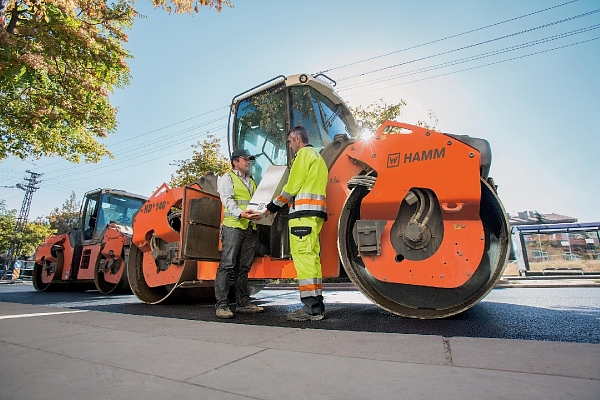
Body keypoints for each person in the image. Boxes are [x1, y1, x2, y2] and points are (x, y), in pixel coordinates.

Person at [264, 126, 328, 321]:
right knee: (312, 260)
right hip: (315, 216)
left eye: (290, 142)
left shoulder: (303, 155)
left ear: (298, 139)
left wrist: (272, 207)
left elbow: (292, 186)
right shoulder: (319, 158)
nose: (290, 146)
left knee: (304, 260)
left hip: (302, 215)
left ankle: (311, 310)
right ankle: (316, 306)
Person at [215, 149, 264, 319]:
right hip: (233, 226)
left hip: (250, 228)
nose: (248, 162)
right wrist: (241, 213)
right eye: (245, 159)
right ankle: (221, 306)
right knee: (227, 265)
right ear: (236, 162)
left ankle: (243, 303)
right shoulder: (227, 178)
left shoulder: (252, 181)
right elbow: (227, 200)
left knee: (243, 268)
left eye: (249, 159)